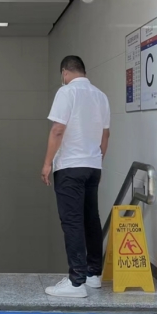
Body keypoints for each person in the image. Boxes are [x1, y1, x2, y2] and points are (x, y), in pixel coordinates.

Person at [41, 55, 110, 298]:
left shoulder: (66, 92)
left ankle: (76, 282)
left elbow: (58, 130)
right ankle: (93, 274)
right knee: (91, 219)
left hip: (70, 166)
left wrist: (47, 163)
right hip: (92, 166)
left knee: (72, 221)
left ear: (64, 72)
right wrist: (97, 161)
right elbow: (105, 136)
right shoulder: (100, 96)